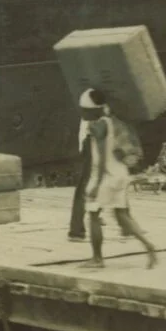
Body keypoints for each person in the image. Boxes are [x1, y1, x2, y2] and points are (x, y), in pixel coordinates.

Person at [81, 88, 157, 270]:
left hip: (106, 175)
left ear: (93, 109)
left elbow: (99, 158)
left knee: (93, 213)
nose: (83, 113)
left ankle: (97, 259)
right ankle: (149, 246)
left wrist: (94, 186)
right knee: (121, 214)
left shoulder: (97, 126)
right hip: (121, 173)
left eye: (84, 109)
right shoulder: (113, 122)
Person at [69, 89, 133, 242]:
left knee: (88, 190)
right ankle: (126, 228)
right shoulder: (100, 118)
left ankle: (77, 230)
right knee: (93, 192)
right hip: (101, 156)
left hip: (100, 156)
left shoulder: (99, 120)